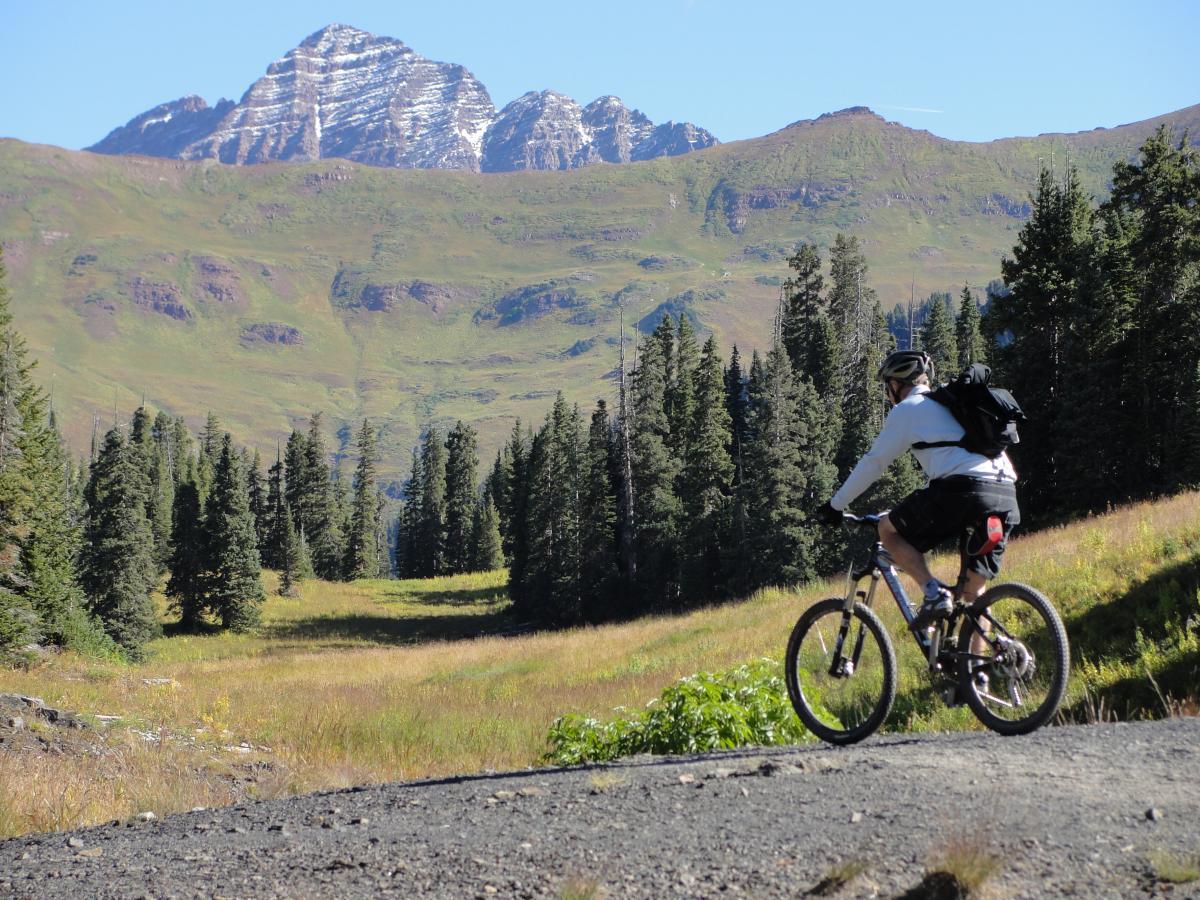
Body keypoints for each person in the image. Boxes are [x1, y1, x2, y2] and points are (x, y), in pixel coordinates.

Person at [815, 349, 1019, 630]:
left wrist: (835, 506)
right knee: (975, 594)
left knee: (888, 530)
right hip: (1005, 493)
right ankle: (983, 659)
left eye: (887, 387)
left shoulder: (908, 409)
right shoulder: (952, 405)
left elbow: (874, 463)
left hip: (963, 490)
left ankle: (932, 593)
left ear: (895, 384)